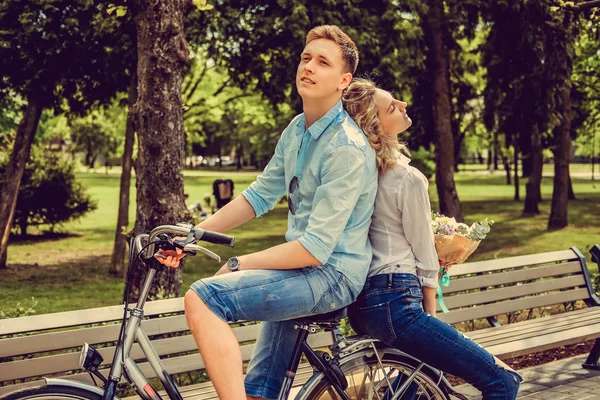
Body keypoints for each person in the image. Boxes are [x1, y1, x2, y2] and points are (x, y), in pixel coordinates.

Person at [158, 27, 378, 400]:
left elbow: (314, 249)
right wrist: (191, 234)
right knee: (260, 392)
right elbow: (259, 195)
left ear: (344, 81)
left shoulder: (346, 148)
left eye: (323, 62)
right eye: (306, 58)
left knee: (204, 297)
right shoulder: (297, 129)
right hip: (302, 269)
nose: (308, 67)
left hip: (331, 274)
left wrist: (238, 263)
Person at [342, 78, 523, 399]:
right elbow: (424, 255)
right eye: (392, 106)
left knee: (415, 386)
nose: (403, 106)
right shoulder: (406, 179)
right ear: (374, 125)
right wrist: (429, 314)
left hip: (363, 308)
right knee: (502, 381)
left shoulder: (354, 178)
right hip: (397, 304)